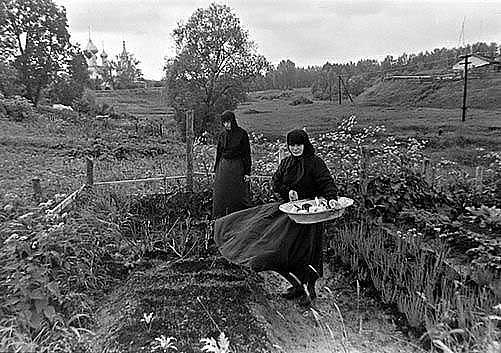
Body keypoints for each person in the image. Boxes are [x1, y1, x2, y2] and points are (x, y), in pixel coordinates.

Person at [214, 129, 338, 306]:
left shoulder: (315, 163)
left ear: (305, 144)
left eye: (299, 145)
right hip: (289, 214)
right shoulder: (287, 163)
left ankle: (309, 291)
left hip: (310, 217)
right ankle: (296, 285)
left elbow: (327, 184)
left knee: (306, 254)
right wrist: (288, 191)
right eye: (292, 145)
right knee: (277, 250)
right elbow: (276, 182)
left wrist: (331, 199)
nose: (295, 148)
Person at [212, 110, 252, 219]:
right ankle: (220, 218)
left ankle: (239, 219)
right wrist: (216, 170)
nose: (227, 125)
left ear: (233, 121)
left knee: (237, 194)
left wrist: (247, 172)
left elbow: (246, 153)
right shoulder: (222, 135)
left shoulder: (242, 134)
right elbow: (219, 153)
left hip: (237, 167)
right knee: (221, 193)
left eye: (228, 122)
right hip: (223, 167)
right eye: (224, 123)